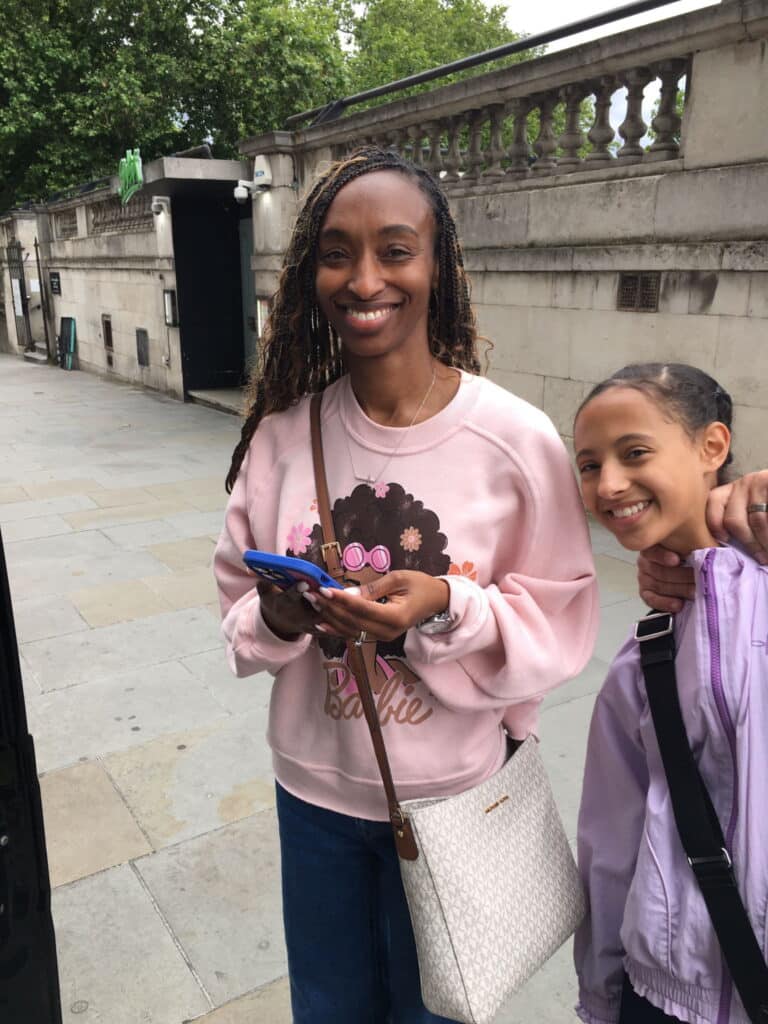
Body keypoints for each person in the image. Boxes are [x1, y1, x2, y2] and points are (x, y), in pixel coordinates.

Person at [213, 145, 601, 1023]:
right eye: (337, 252)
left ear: (438, 265)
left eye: (395, 249)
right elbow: (236, 606)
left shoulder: (516, 440)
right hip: (310, 795)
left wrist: (446, 606)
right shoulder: (281, 437)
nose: (364, 279)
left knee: (437, 1012)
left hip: (453, 798)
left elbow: (560, 624)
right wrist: (279, 614)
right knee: (329, 1009)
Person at [572, 362, 768, 1024]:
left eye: (635, 453)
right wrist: (602, 994)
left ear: (713, 447)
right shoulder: (643, 655)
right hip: (663, 995)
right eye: (590, 465)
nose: (610, 484)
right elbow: (611, 842)